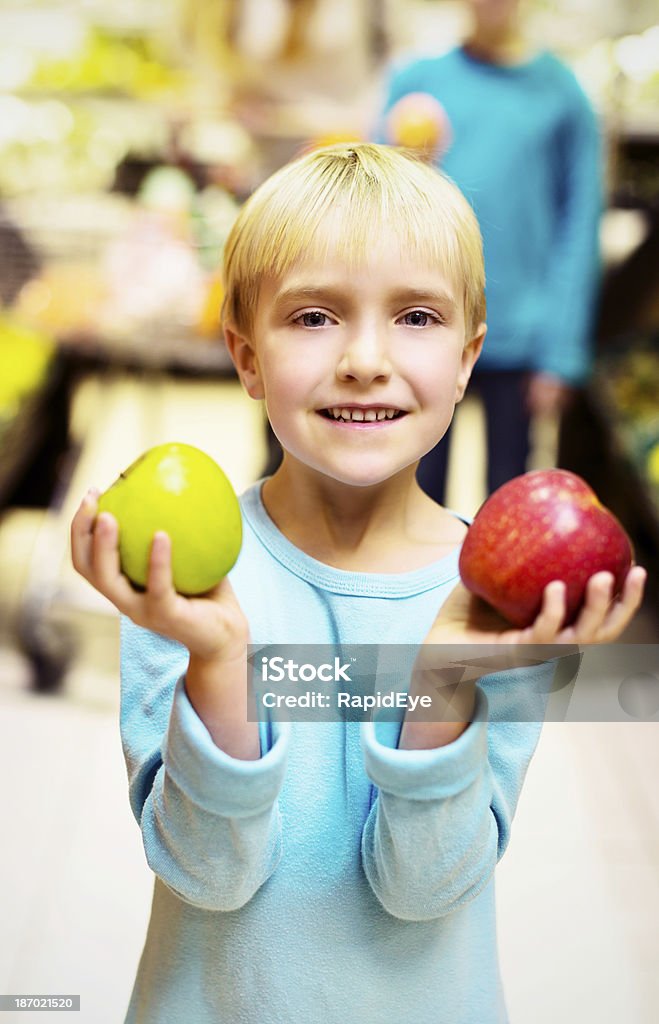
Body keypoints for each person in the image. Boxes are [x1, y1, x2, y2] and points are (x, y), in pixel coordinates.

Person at [71, 143, 644, 1024]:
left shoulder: (502, 606)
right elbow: (204, 874)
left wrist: (442, 683)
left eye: (416, 316)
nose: (365, 359)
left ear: (466, 357)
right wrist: (220, 663)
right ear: (245, 355)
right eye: (312, 317)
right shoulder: (186, 581)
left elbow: (425, 889)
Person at [378, 0, 603, 501]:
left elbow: (580, 223)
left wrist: (561, 351)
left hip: (520, 337)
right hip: (422, 325)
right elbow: (374, 206)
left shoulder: (563, 94)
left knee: (509, 500)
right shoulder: (417, 85)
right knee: (411, 496)